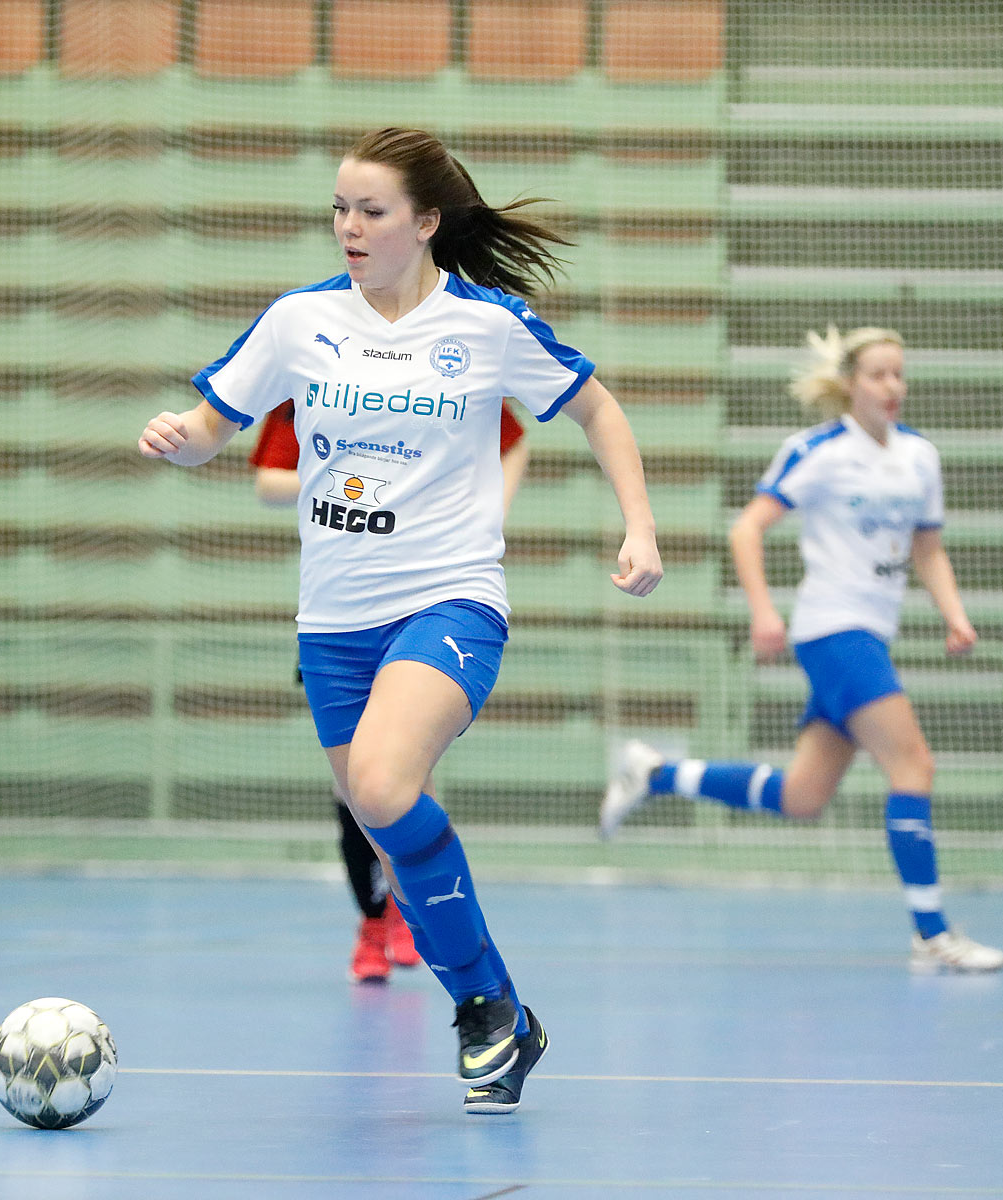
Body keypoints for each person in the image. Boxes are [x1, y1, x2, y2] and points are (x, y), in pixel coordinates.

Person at [140, 126, 663, 1114]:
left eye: (370, 210)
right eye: (339, 207)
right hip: (332, 622)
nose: (348, 225)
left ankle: (483, 1009)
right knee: (381, 825)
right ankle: (496, 1008)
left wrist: (639, 526)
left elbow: (599, 409)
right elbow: (219, 423)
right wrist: (184, 442)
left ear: (424, 224)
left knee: (382, 786)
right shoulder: (299, 322)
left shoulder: (487, 324)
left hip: (450, 599)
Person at [599, 324, 1003, 974]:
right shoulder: (817, 450)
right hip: (832, 629)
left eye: (900, 374)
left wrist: (954, 615)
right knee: (914, 768)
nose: (892, 386)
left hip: (873, 631)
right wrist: (765, 612)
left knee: (802, 796)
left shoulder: (920, 458)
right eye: (878, 374)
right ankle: (932, 934)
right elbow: (747, 529)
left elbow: (927, 548)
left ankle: (656, 772)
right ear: (850, 384)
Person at [248, 397, 531, 983]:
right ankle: (373, 922)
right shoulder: (310, 374)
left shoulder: (431, 372)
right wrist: (353, 476)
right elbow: (267, 480)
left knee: (404, 778)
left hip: (425, 602)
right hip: (340, 611)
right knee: (353, 787)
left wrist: (488, 512)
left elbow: (513, 438)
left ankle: (418, 922)